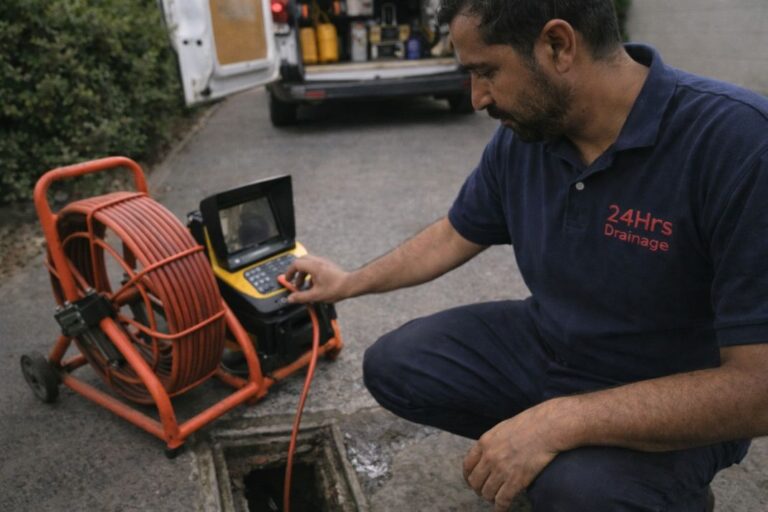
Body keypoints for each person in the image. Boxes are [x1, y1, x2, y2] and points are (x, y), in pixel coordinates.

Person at [284, 0, 768, 510]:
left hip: (671, 381)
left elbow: (758, 390)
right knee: (395, 364)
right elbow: (454, 233)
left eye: (486, 71)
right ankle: (564, 457)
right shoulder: (527, 136)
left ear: (558, 45)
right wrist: (349, 281)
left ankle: (646, 486)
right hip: (554, 345)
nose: (476, 98)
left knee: (578, 493)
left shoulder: (738, 144)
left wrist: (562, 422)